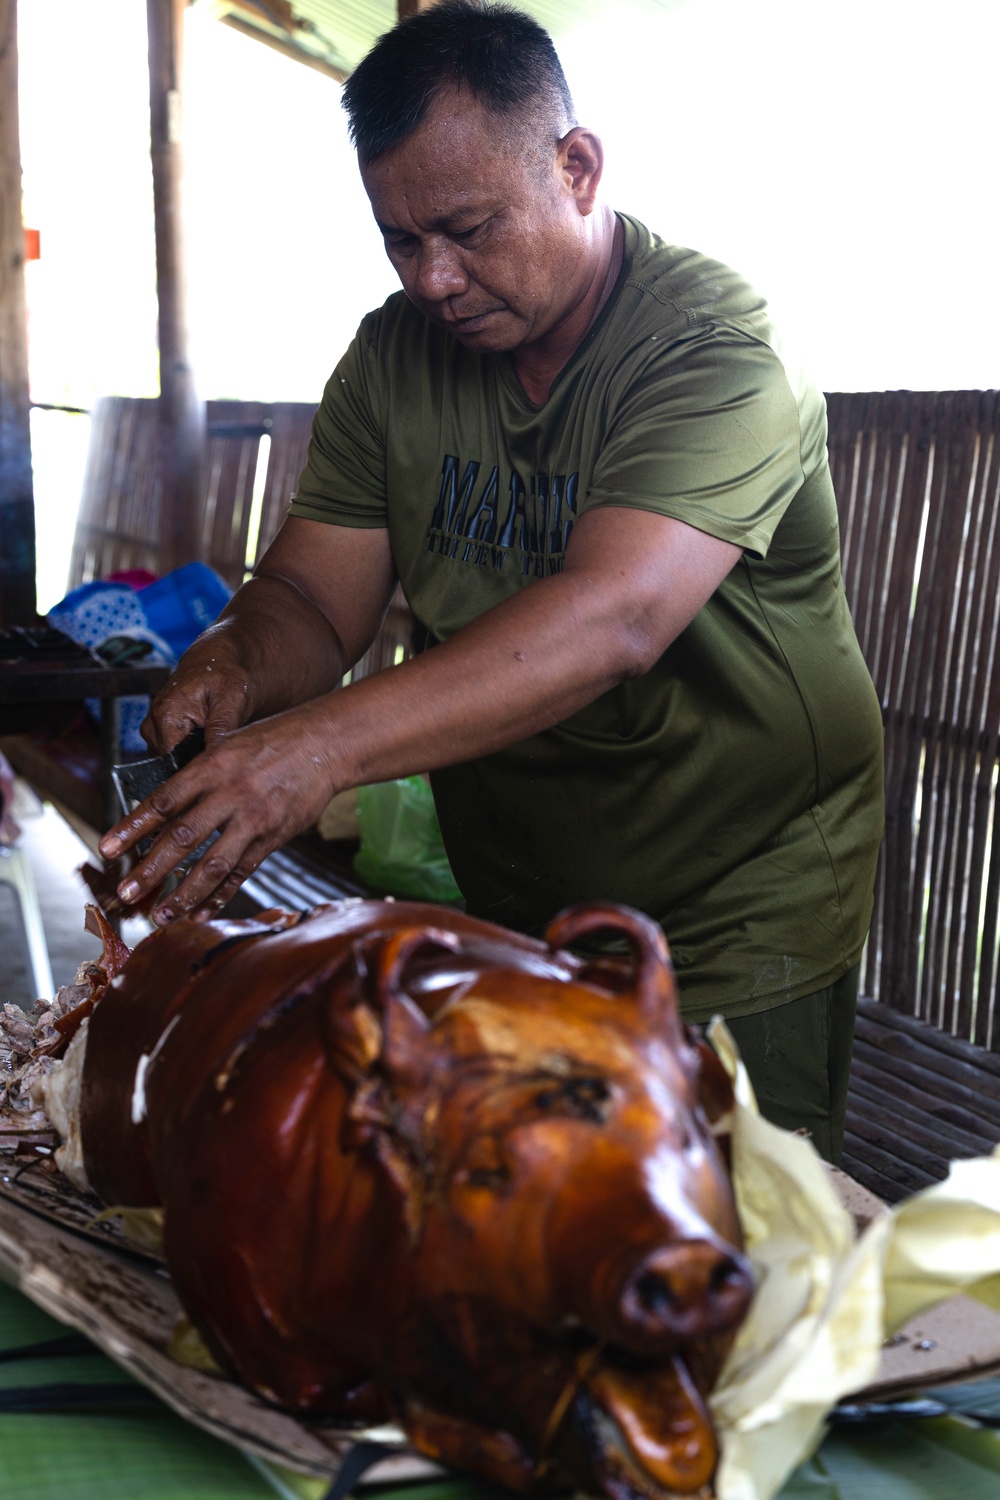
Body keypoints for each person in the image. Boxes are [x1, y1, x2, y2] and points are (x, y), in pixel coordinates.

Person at [99, 0, 883, 1162]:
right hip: (523, 885)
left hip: (734, 892)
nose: (433, 277)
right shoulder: (393, 357)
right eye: (399, 241)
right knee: (526, 1223)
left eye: (465, 228)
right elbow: (315, 599)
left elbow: (613, 617)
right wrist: (237, 667)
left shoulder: (716, 353)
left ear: (576, 168)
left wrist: (311, 751)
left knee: (719, 1238)